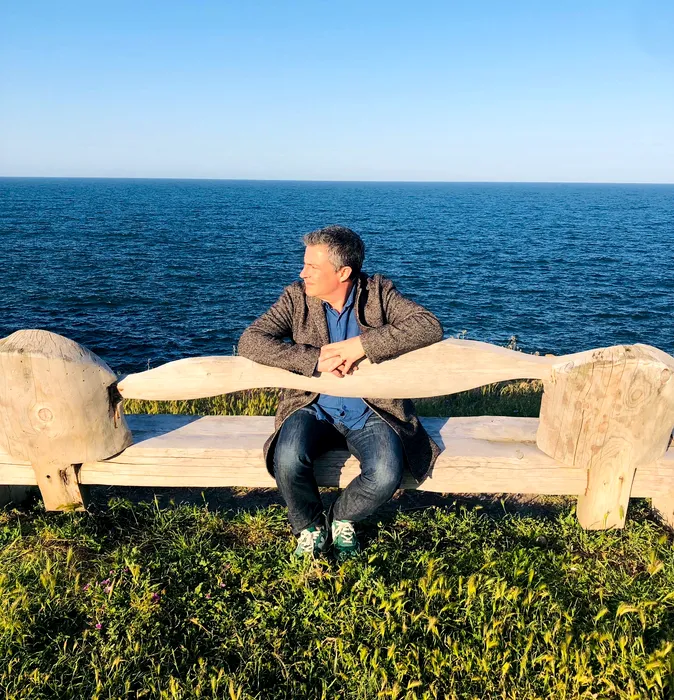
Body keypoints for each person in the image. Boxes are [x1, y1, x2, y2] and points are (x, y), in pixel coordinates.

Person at [237, 225, 443, 560]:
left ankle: (341, 518)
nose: (302, 273)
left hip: (372, 409)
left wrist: (362, 345)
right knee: (287, 459)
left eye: (312, 267)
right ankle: (309, 526)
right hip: (311, 407)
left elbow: (428, 325)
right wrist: (312, 359)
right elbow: (250, 341)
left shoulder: (378, 293)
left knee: (385, 473)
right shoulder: (296, 298)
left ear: (343, 272)